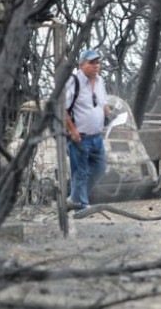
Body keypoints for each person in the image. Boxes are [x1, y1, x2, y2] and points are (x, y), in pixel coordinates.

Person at [65, 49, 110, 213]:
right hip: (80, 137)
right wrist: (73, 130)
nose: (96, 65)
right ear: (81, 64)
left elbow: (102, 102)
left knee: (100, 168)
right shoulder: (73, 82)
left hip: (97, 136)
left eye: (97, 62)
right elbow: (62, 109)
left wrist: (106, 110)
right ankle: (81, 207)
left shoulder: (100, 81)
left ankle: (75, 199)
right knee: (81, 171)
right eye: (92, 62)